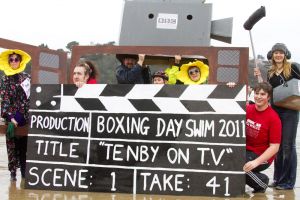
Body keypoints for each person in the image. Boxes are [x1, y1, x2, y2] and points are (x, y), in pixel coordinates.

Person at [254, 43, 300, 190]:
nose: (278, 55)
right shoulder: (270, 71)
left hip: (290, 111)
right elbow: (268, 90)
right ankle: (278, 179)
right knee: (277, 146)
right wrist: (260, 78)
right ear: (272, 55)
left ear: (285, 54)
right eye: (276, 53)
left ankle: (288, 182)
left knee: (288, 146)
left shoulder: (293, 67)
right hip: (276, 111)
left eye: (281, 52)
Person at [243, 82, 282, 193]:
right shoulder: (247, 109)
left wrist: (256, 162)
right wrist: (230, 86)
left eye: (262, 94)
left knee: (238, 162)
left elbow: (274, 147)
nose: (258, 97)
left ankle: (262, 182)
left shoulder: (274, 119)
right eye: (256, 93)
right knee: (230, 158)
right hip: (246, 150)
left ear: (268, 97)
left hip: (262, 156)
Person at [0, 49, 31, 181]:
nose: (13, 61)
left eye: (16, 59)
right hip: (10, 116)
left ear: (20, 61)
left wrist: (24, 115)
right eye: (11, 59)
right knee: (11, 146)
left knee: (24, 146)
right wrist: (11, 116)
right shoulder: (4, 79)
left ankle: (24, 172)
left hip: (24, 115)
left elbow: (30, 97)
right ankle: (13, 174)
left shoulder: (26, 77)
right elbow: (4, 98)